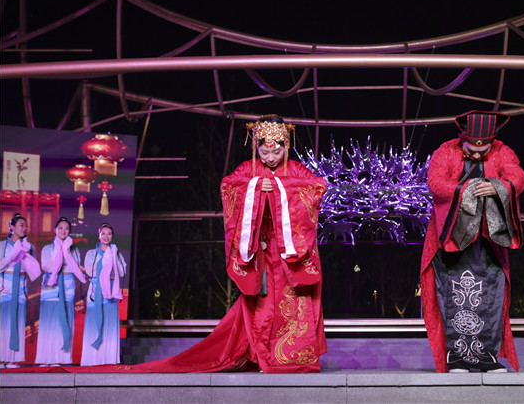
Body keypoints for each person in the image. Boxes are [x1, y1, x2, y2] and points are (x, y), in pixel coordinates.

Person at [126, 114, 327, 373]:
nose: (270, 157)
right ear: (256, 147)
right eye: (264, 152)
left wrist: (278, 186)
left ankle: (294, 358)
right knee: (262, 306)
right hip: (260, 252)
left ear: (286, 146)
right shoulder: (248, 169)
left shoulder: (296, 169)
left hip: (291, 254)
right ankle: (260, 356)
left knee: (296, 303)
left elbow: (317, 186)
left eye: (276, 151)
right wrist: (256, 187)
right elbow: (228, 186)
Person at [420, 110, 524, 373]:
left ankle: (486, 356)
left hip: (489, 238)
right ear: (462, 137)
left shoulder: (502, 151)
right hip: (452, 238)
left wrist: (498, 186)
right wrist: (465, 190)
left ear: (492, 141)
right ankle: (456, 356)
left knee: (491, 295)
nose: (477, 155)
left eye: (483, 150)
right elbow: (435, 182)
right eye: (472, 149)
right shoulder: (446, 151)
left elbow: (518, 177)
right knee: (454, 296)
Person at [35, 217, 86, 366]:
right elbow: (47, 267)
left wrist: (66, 252)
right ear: (55, 230)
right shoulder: (47, 248)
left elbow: (75, 267)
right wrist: (58, 250)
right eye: (60, 228)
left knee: (65, 322)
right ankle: (46, 359)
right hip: (51, 286)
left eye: (67, 228)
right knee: (48, 322)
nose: (64, 231)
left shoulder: (74, 249)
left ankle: (61, 358)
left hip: (68, 286)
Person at [80, 223, 127, 366]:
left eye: (109, 234)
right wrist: (106, 258)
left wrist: (113, 255)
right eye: (103, 233)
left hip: (110, 290)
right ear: (99, 235)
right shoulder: (91, 253)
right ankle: (92, 360)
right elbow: (90, 270)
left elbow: (122, 271)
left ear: (112, 236)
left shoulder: (115, 252)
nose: (106, 236)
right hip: (96, 289)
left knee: (109, 323)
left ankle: (108, 359)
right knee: (94, 323)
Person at [0, 213, 41, 368]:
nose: (24, 228)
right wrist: (14, 251)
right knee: (2, 326)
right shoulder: (2, 246)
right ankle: (0, 359)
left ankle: (13, 359)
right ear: (12, 227)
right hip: (5, 290)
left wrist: (25, 253)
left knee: (17, 325)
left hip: (20, 292)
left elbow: (34, 272)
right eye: (21, 225)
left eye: (26, 225)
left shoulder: (29, 247)